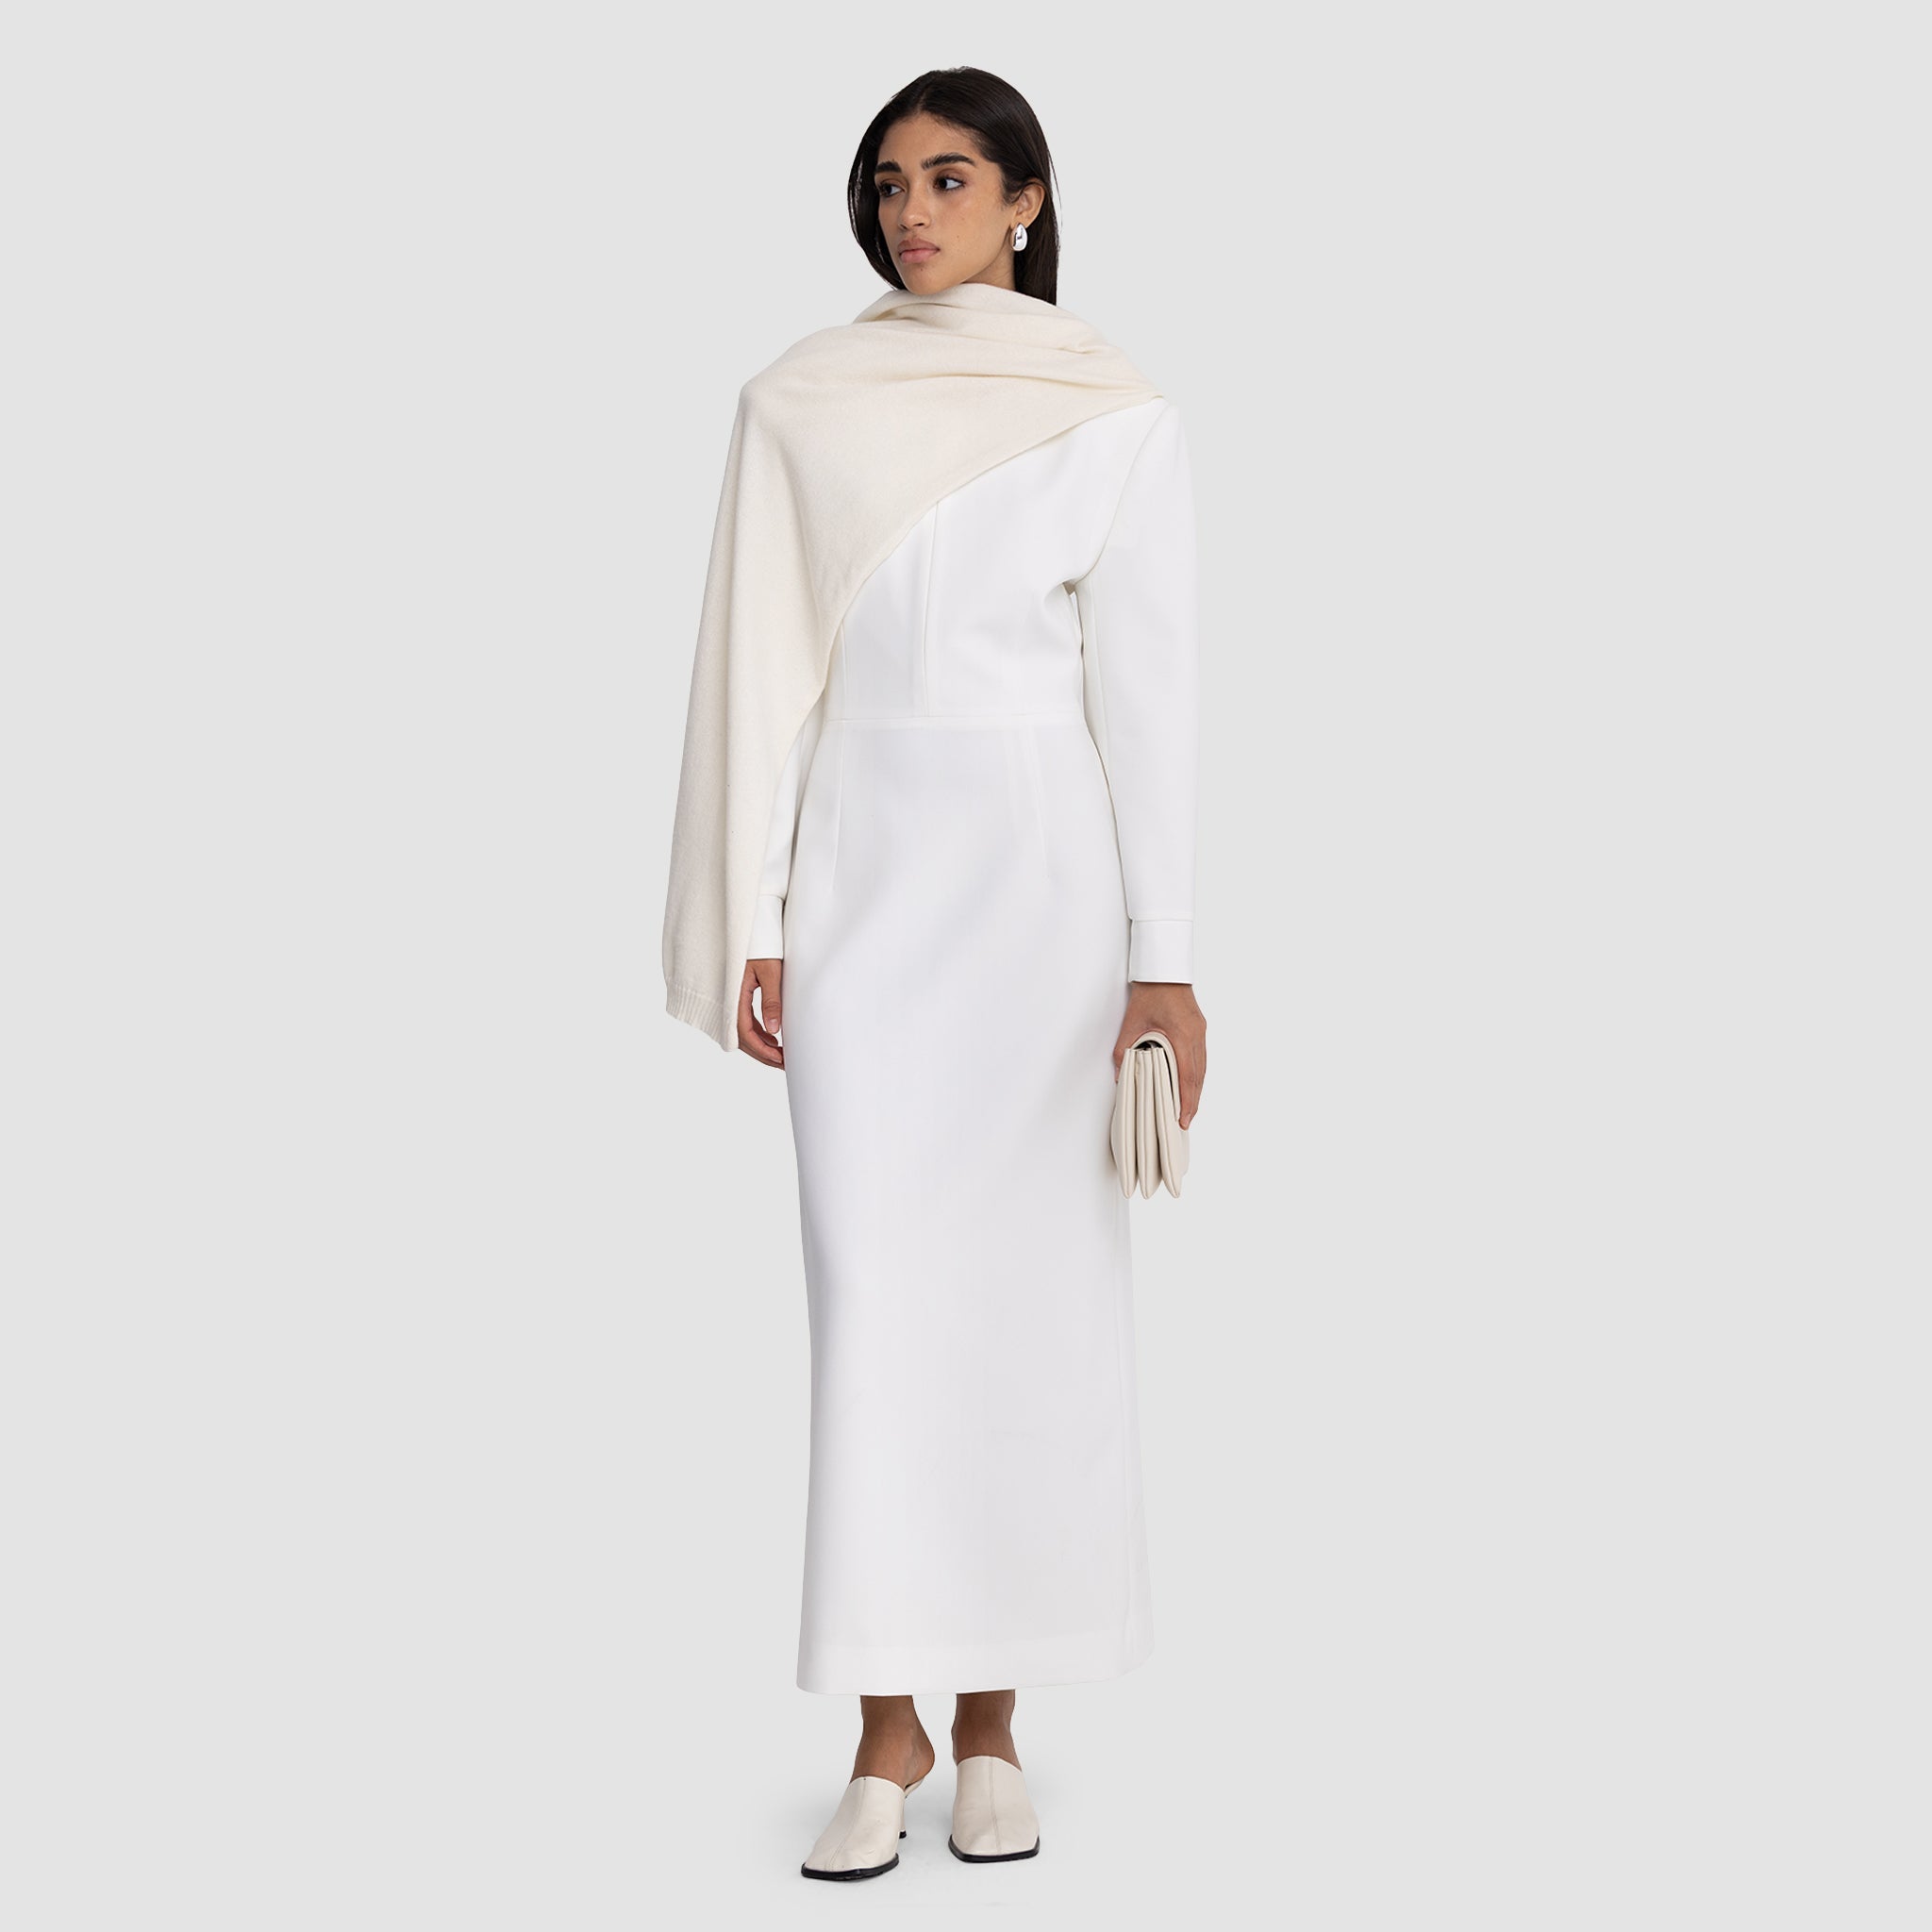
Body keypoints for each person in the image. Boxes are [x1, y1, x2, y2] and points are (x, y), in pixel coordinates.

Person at [661, 66, 1206, 1882]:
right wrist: (752, 914)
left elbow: (1152, 698)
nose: (913, 211)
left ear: (1028, 200)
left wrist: (1165, 965)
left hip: (1041, 884)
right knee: (877, 1301)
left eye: (952, 178)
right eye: (890, 182)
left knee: (1036, 1301)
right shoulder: (801, 401)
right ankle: (883, 1725)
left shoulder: (1111, 411)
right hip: (863, 877)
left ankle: (992, 1726)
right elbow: (757, 665)